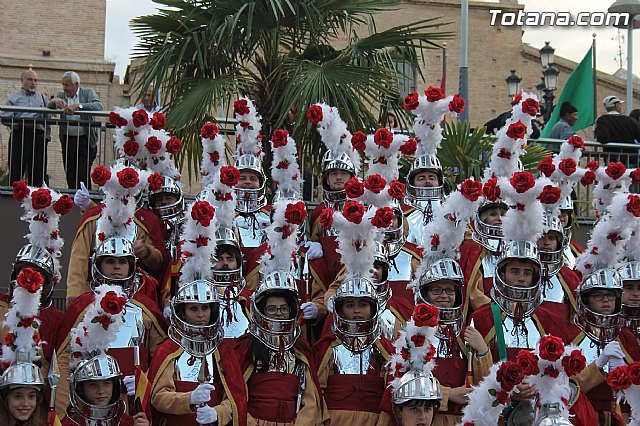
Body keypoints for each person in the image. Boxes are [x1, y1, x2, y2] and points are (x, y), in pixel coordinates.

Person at [234, 270, 328, 425]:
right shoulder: (246, 346)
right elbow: (237, 394)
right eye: (272, 309)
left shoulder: (300, 348)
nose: (279, 313)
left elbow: (310, 398)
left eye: (284, 308)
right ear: (261, 311)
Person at [148, 279, 247, 425]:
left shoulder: (224, 351)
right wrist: (189, 399)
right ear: (182, 312)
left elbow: (236, 397)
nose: (201, 315)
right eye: (193, 309)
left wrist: (218, 413)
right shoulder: (168, 350)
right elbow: (158, 397)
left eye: (205, 308)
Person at [414, 258, 493, 425]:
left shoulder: (468, 334)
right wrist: (447, 394)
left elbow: (487, 385)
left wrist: (483, 351)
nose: (444, 295)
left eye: (450, 290)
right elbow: (405, 384)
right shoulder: (413, 335)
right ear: (425, 293)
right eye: (437, 290)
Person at [314, 276, 394, 425]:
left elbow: (390, 392)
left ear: (373, 309)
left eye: (363, 304)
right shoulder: (328, 347)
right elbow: (316, 393)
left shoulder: (384, 349)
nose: (357, 310)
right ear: (340, 310)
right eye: (350, 305)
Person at [47, 71, 103, 190]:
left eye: (67, 85)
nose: (64, 88)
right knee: (70, 173)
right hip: (68, 140)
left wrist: (79, 106)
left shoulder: (87, 93)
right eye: (63, 84)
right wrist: (55, 101)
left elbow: (99, 106)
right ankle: (73, 201)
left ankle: (86, 202)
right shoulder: (61, 95)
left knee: (82, 173)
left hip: (85, 140)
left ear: (76, 85)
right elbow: (49, 106)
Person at [1, 69, 50, 186]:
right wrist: (20, 123)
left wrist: (47, 137)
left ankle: (37, 199)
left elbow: (48, 119)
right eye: (30, 79)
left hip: (39, 136)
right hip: (20, 134)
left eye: (35, 80)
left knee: (38, 171)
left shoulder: (43, 98)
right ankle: (14, 198)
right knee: (16, 170)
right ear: (22, 80)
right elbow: (4, 116)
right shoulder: (13, 97)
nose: (33, 83)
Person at [594, 96, 640, 163]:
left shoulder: (602, 120)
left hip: (611, 160)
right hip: (631, 159)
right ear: (617, 105)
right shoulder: (630, 120)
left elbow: (603, 138)